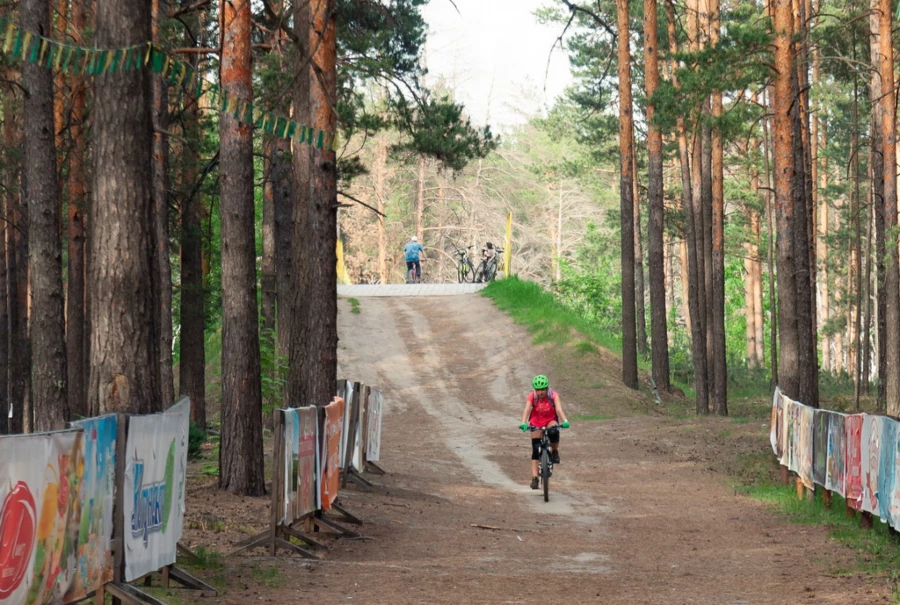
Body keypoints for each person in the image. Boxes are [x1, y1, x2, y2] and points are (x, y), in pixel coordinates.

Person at [519, 375, 570, 490]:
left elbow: (558, 409)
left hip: (550, 420)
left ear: (547, 388)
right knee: (536, 448)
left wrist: (565, 420)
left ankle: (555, 451)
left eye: (542, 389)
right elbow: (527, 410)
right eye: (538, 390)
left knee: (553, 432)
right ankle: (535, 478)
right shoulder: (532, 396)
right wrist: (523, 423)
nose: (540, 392)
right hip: (536, 421)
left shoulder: (553, 395)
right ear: (534, 390)